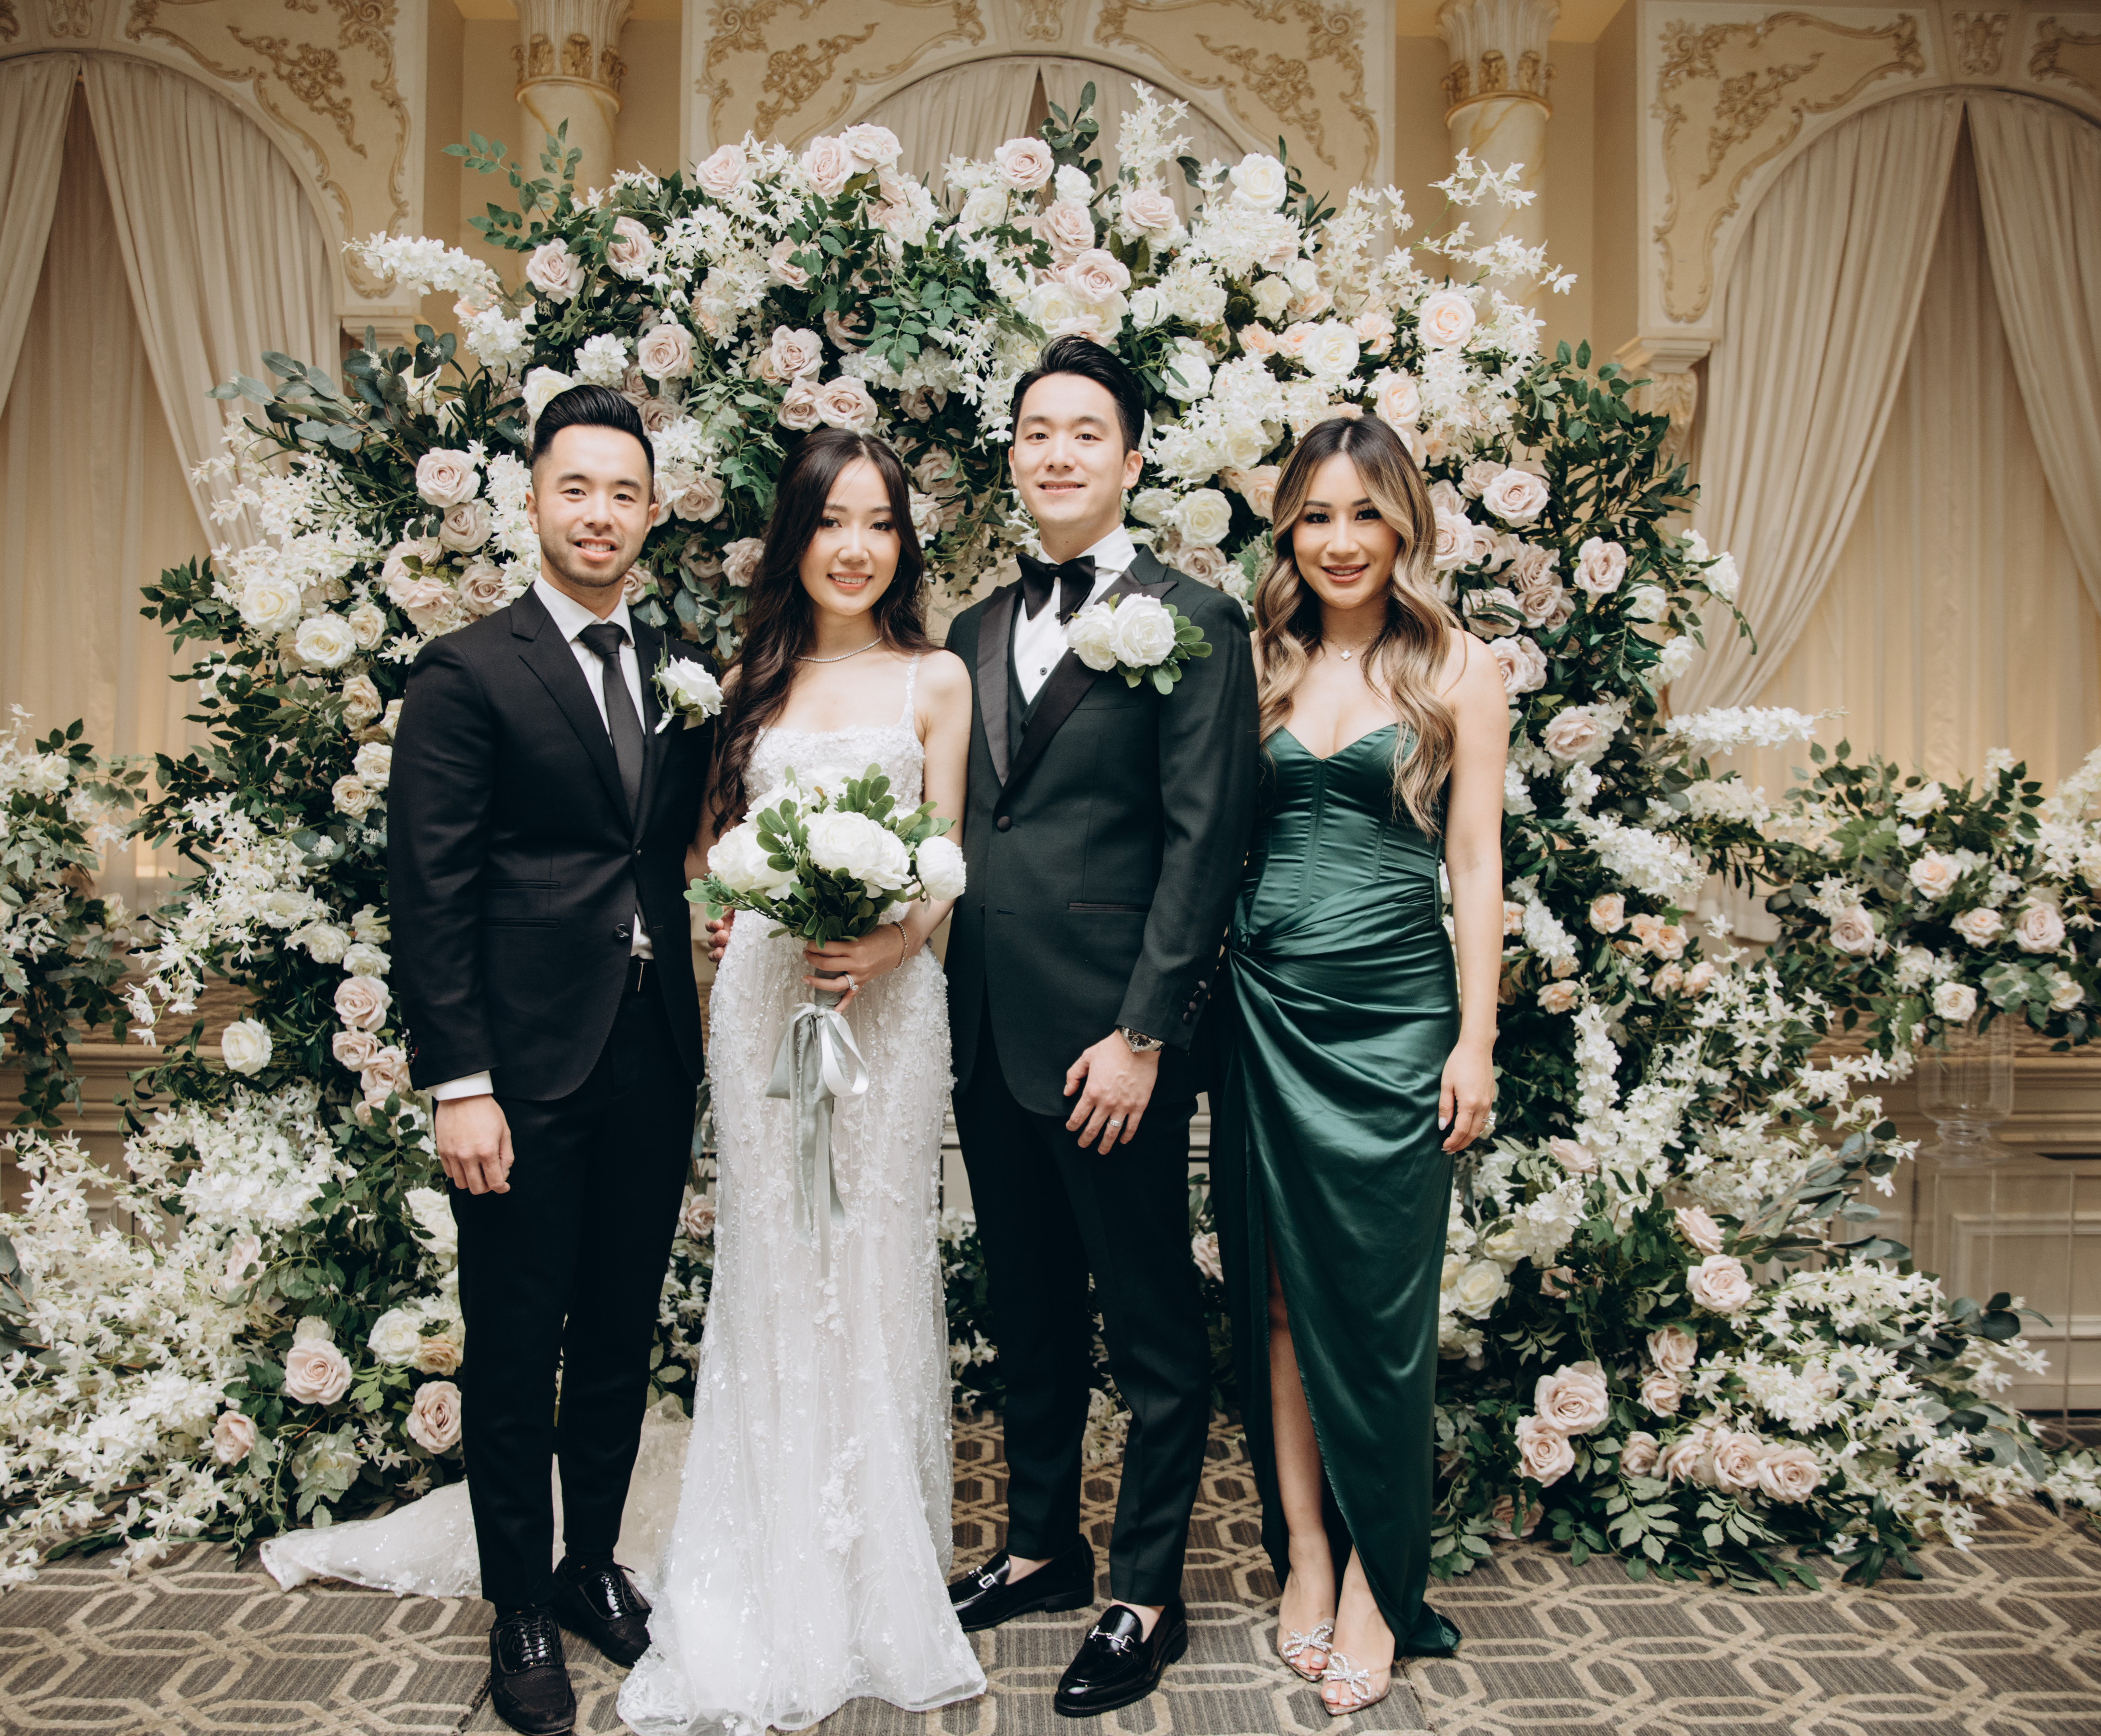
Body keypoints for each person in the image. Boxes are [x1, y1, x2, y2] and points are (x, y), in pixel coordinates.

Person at [622, 428, 984, 1735]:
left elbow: (947, 856)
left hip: (889, 1008)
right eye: (832, 521)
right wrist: (730, 919)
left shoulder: (937, 678)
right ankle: (768, 1549)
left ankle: (875, 1562)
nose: (855, 546)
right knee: (777, 1258)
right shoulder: (745, 684)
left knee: (872, 1259)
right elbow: (704, 855)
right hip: (767, 1004)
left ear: (903, 543)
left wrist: (886, 945)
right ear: (796, 537)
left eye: (879, 522)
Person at [937, 335, 1259, 1718]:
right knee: (1026, 1311)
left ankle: (1144, 1593)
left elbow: (1206, 842)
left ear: (1131, 459)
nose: (1056, 453)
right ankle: (1038, 1547)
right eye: (1035, 432)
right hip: (987, 1028)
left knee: (1148, 1323)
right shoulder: (969, 630)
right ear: (1012, 456)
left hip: (1111, 1048)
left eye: (1085, 432)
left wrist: (1142, 1035)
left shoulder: (1195, 618)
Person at [386, 383, 715, 1736]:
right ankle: (518, 1600)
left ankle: (590, 1566)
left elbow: (671, 852)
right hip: (518, 1073)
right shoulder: (469, 671)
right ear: (531, 502)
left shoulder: (679, 668)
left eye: (623, 493)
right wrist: (458, 1083)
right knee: (518, 1343)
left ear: (652, 512)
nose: (599, 514)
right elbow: (430, 891)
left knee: (622, 1333)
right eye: (575, 489)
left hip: (650, 1053)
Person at [1208, 416, 1505, 1715]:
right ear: (1289, 530)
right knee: (1276, 1302)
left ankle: (1382, 1581)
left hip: (1396, 1016)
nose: (1341, 541)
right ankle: (1309, 1558)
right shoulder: (1255, 663)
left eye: (1366, 514)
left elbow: (1476, 862)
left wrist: (1475, 1039)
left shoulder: (1460, 668)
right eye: (1317, 516)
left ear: (1404, 527)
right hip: (1267, 1005)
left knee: (1386, 1315)